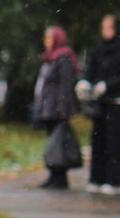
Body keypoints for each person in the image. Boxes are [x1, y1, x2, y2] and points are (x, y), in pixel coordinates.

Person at [78, 14, 120, 196]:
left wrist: (108, 85)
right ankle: (96, 178)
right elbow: (92, 70)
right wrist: (86, 82)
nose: (105, 31)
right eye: (104, 27)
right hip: (100, 103)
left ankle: (114, 180)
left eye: (109, 27)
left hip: (117, 102)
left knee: (115, 143)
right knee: (98, 141)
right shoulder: (99, 50)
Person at [33, 26, 79, 190]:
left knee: (58, 143)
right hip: (48, 107)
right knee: (53, 143)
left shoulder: (63, 58)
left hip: (57, 109)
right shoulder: (50, 59)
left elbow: (66, 85)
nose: (46, 42)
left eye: (49, 39)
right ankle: (54, 176)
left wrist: (62, 108)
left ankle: (60, 177)